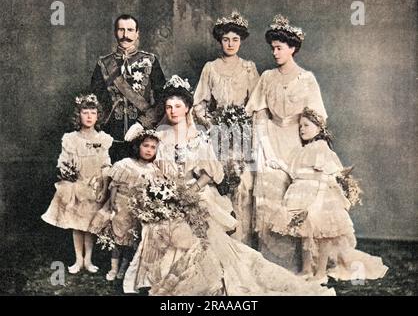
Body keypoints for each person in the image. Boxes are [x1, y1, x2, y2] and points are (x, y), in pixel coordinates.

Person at [123, 75, 335, 296]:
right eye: (168, 107)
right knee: (157, 224)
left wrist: (190, 191)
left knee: (201, 234)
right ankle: (158, 275)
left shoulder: (197, 137)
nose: (172, 111)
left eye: (178, 106)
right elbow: (154, 168)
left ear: (187, 108)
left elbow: (211, 173)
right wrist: (164, 193)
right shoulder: (160, 136)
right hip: (167, 193)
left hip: (194, 192)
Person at [268, 107, 388, 283]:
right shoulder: (303, 150)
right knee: (304, 231)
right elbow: (297, 172)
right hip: (300, 192)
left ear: (318, 127)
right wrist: (280, 165)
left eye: (306, 125)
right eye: (300, 126)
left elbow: (327, 174)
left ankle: (321, 272)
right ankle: (307, 269)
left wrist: (317, 201)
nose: (302, 129)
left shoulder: (321, 148)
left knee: (323, 234)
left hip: (318, 194)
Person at [245, 15, 327, 271]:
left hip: (296, 140)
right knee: (267, 190)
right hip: (269, 138)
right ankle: (268, 260)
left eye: (280, 48)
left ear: (292, 48)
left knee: (293, 194)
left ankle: (295, 262)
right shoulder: (267, 77)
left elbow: (316, 118)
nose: (275, 52)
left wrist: (308, 144)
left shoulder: (306, 79)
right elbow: (258, 113)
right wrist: (265, 147)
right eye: (273, 48)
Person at [192, 11, 259, 245]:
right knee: (217, 181)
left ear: (241, 41)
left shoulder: (249, 68)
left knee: (243, 184)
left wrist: (242, 122)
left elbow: (256, 105)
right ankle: (221, 242)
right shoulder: (210, 68)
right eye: (226, 39)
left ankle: (242, 241)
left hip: (243, 135)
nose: (230, 44)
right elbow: (199, 103)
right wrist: (212, 123)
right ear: (220, 41)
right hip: (216, 134)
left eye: (235, 40)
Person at [42, 94, 113, 274]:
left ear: (98, 116)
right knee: (76, 223)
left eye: (93, 113)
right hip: (76, 185)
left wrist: (103, 185)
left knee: (90, 225)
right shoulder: (71, 139)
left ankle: (88, 260)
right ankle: (78, 260)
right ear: (78, 115)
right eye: (85, 112)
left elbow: (106, 165)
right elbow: (63, 160)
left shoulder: (103, 139)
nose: (89, 116)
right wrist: (66, 171)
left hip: (94, 185)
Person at [89, 123, 161, 281]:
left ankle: (123, 267)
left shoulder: (153, 170)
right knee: (117, 238)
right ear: (138, 146)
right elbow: (115, 185)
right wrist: (113, 202)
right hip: (121, 205)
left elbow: (152, 192)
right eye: (145, 145)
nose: (149, 150)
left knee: (130, 240)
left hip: (137, 209)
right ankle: (113, 268)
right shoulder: (125, 164)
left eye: (153, 147)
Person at [91, 14, 166, 162]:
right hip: (110, 135)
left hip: (142, 135)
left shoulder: (150, 61)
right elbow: (95, 101)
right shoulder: (103, 63)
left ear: (137, 33)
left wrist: (143, 123)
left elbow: (163, 100)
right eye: (121, 30)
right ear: (115, 32)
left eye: (130, 30)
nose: (125, 35)